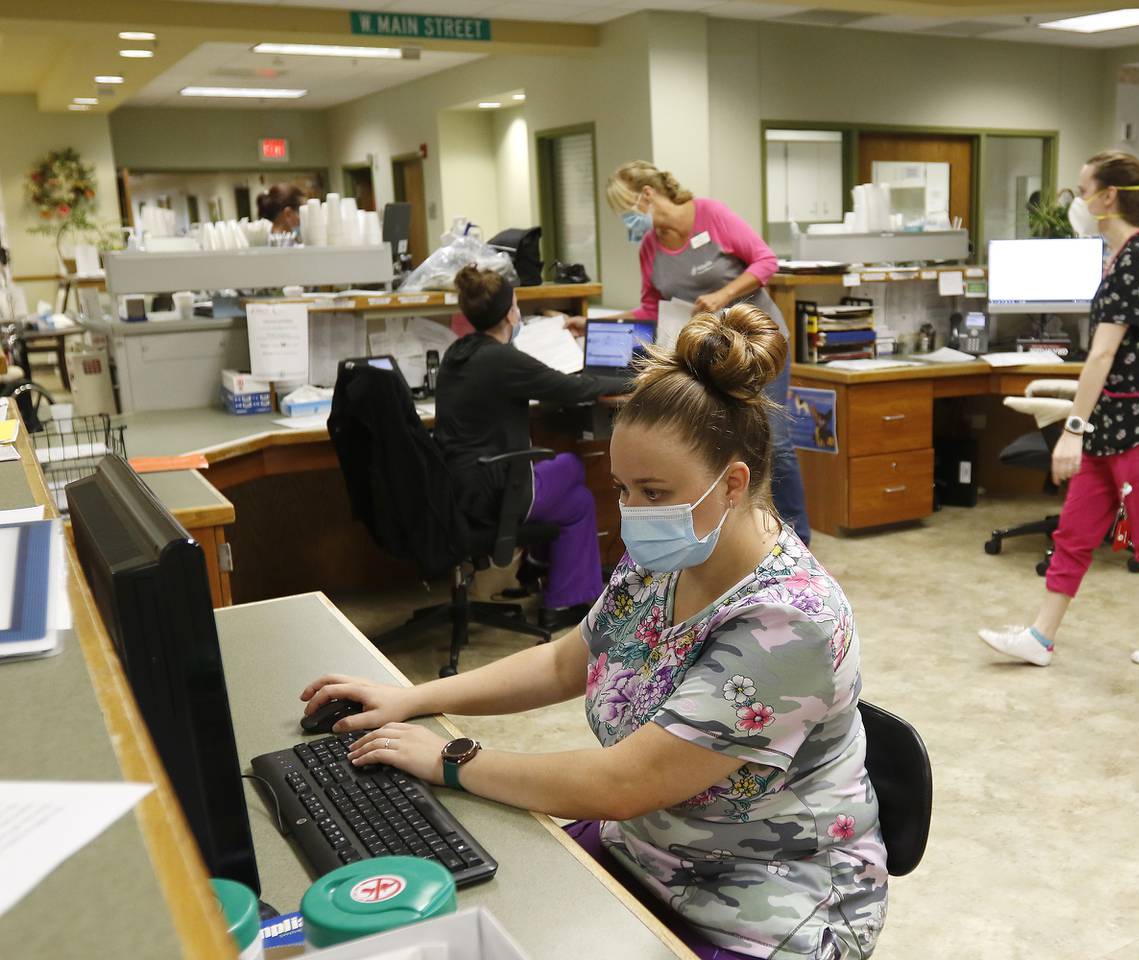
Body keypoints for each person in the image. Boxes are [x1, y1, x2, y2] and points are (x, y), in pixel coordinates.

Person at [303, 306, 887, 959]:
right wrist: (414, 697)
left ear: (733, 484)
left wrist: (450, 759)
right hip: (643, 853)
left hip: (762, 915)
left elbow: (621, 784)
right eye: (623, 488)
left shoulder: (789, 624)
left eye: (653, 490)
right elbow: (565, 663)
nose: (633, 512)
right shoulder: (668, 559)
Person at [979, 151, 1139, 669]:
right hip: (1116, 421)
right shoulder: (1127, 255)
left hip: (1137, 425)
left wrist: (1073, 430)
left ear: (1109, 197)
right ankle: (1041, 637)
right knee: (1076, 532)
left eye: (1083, 190)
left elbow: (1105, 353)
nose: (1077, 201)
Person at [600, 160, 812, 545]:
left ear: (647, 196)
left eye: (627, 210)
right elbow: (650, 305)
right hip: (711, 350)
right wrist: (603, 320)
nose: (627, 221)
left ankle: (797, 538)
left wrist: (723, 295)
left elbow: (765, 260)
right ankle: (739, 534)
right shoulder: (650, 245)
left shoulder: (710, 215)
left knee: (774, 441)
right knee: (724, 441)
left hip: (756, 342)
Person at [433, 266, 625, 629]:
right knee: (570, 465)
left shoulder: (458, 352)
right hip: (491, 491)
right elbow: (573, 388)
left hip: (458, 486)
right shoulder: (501, 359)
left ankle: (554, 590)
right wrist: (636, 375)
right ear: (510, 312)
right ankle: (547, 579)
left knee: (578, 504)